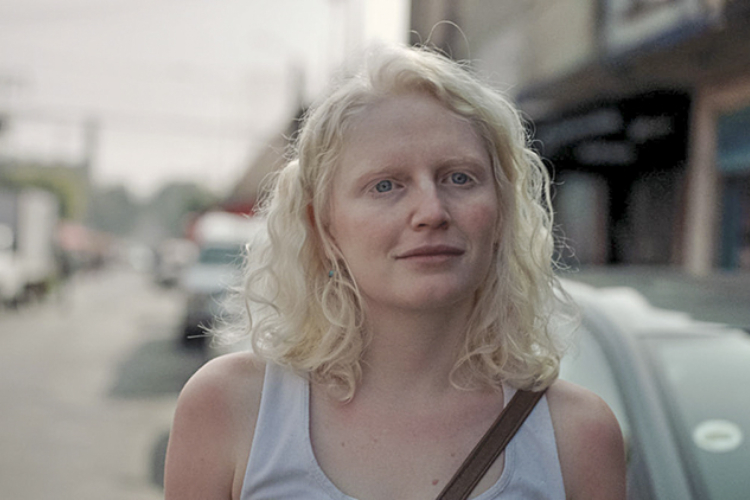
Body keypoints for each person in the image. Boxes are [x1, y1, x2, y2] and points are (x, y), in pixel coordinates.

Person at [164, 43, 626, 500]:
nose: (432, 211)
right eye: (385, 185)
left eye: (459, 177)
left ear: (502, 212)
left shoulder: (576, 436)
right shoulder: (231, 408)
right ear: (323, 228)